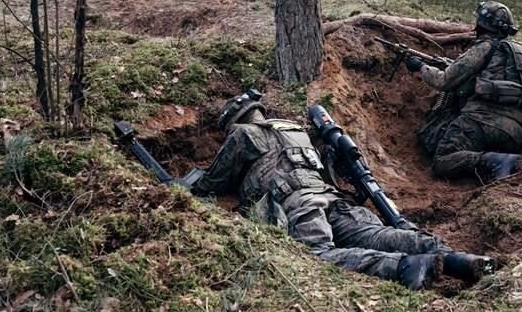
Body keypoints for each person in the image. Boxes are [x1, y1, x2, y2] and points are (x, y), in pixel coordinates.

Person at [187, 91, 494, 290]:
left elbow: (210, 185)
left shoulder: (243, 135)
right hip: (332, 198)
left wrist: (182, 184)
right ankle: (456, 259)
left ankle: (406, 267)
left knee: (318, 253)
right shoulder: (296, 131)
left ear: (234, 122)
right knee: (376, 235)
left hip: (298, 205)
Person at [407, 1, 522, 182]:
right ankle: (496, 158)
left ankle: (494, 161)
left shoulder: (483, 48)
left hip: (481, 123)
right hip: (519, 132)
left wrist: (421, 67)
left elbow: (444, 81)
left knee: (442, 161)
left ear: (481, 24)